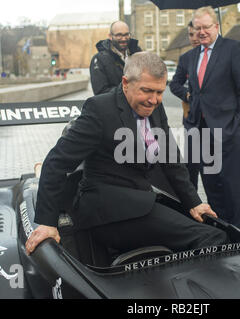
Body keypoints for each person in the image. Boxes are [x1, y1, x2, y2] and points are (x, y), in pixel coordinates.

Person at [25, 52, 229, 257]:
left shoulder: (155, 108)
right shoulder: (99, 109)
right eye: (147, 91)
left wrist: (194, 202)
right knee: (211, 239)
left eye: (159, 92)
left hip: (140, 200)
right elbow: (56, 163)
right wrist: (47, 224)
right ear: (125, 82)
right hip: (107, 213)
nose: (154, 100)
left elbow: (170, 159)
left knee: (217, 233)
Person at [182, 6, 240, 231]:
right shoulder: (193, 55)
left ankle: (238, 233)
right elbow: (197, 91)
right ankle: (221, 231)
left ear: (216, 27)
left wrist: (239, 122)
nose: (202, 32)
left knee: (231, 188)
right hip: (202, 132)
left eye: (206, 27)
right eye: (197, 28)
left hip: (228, 132)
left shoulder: (232, 49)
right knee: (211, 185)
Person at [169, 21, 201, 189]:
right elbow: (174, 84)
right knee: (191, 168)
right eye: (190, 34)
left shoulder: (220, 57)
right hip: (192, 122)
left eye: (197, 33)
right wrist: (188, 96)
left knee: (214, 172)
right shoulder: (186, 58)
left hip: (217, 124)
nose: (194, 38)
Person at [89, 21, 141, 95]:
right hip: (114, 105)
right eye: (119, 35)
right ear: (110, 36)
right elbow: (100, 92)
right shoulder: (99, 59)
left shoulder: (138, 54)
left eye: (126, 34)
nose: (123, 39)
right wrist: (128, 90)